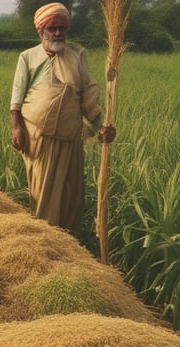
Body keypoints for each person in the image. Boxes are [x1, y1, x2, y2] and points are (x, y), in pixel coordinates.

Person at [10, 2, 115, 236]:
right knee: (43, 194)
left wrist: (102, 128)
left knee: (70, 195)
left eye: (62, 28)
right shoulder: (28, 57)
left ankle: (68, 243)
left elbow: (88, 97)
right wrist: (16, 128)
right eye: (52, 28)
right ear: (41, 30)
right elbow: (17, 95)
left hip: (70, 136)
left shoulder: (77, 54)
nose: (58, 33)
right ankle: (44, 241)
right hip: (39, 137)